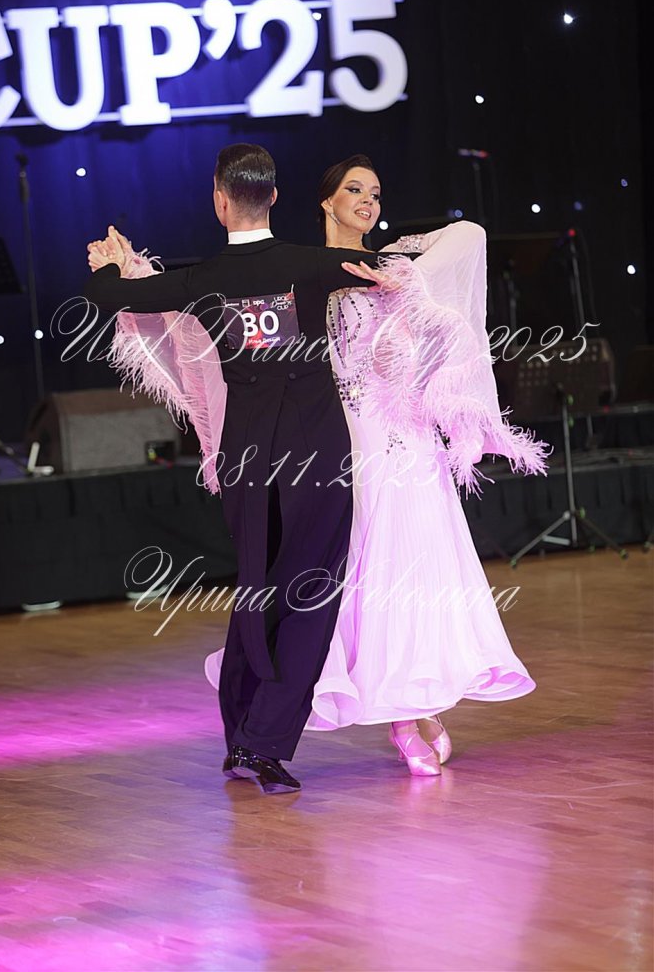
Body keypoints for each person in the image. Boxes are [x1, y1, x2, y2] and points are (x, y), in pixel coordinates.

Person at [204, 154, 547, 776]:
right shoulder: (307, 276)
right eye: (354, 189)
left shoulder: (394, 266)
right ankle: (398, 713)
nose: (367, 200)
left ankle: (421, 700)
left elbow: (470, 235)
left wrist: (403, 272)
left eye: (376, 192)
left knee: (425, 572)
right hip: (351, 447)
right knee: (373, 579)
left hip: (412, 442)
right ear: (326, 201)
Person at [84, 144, 399, 795]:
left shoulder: (201, 280)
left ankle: (243, 738)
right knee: (309, 597)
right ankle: (263, 743)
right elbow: (396, 269)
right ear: (275, 198)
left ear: (220, 201)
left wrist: (109, 264)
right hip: (317, 457)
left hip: (247, 460)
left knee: (258, 590)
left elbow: (110, 296)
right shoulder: (310, 265)